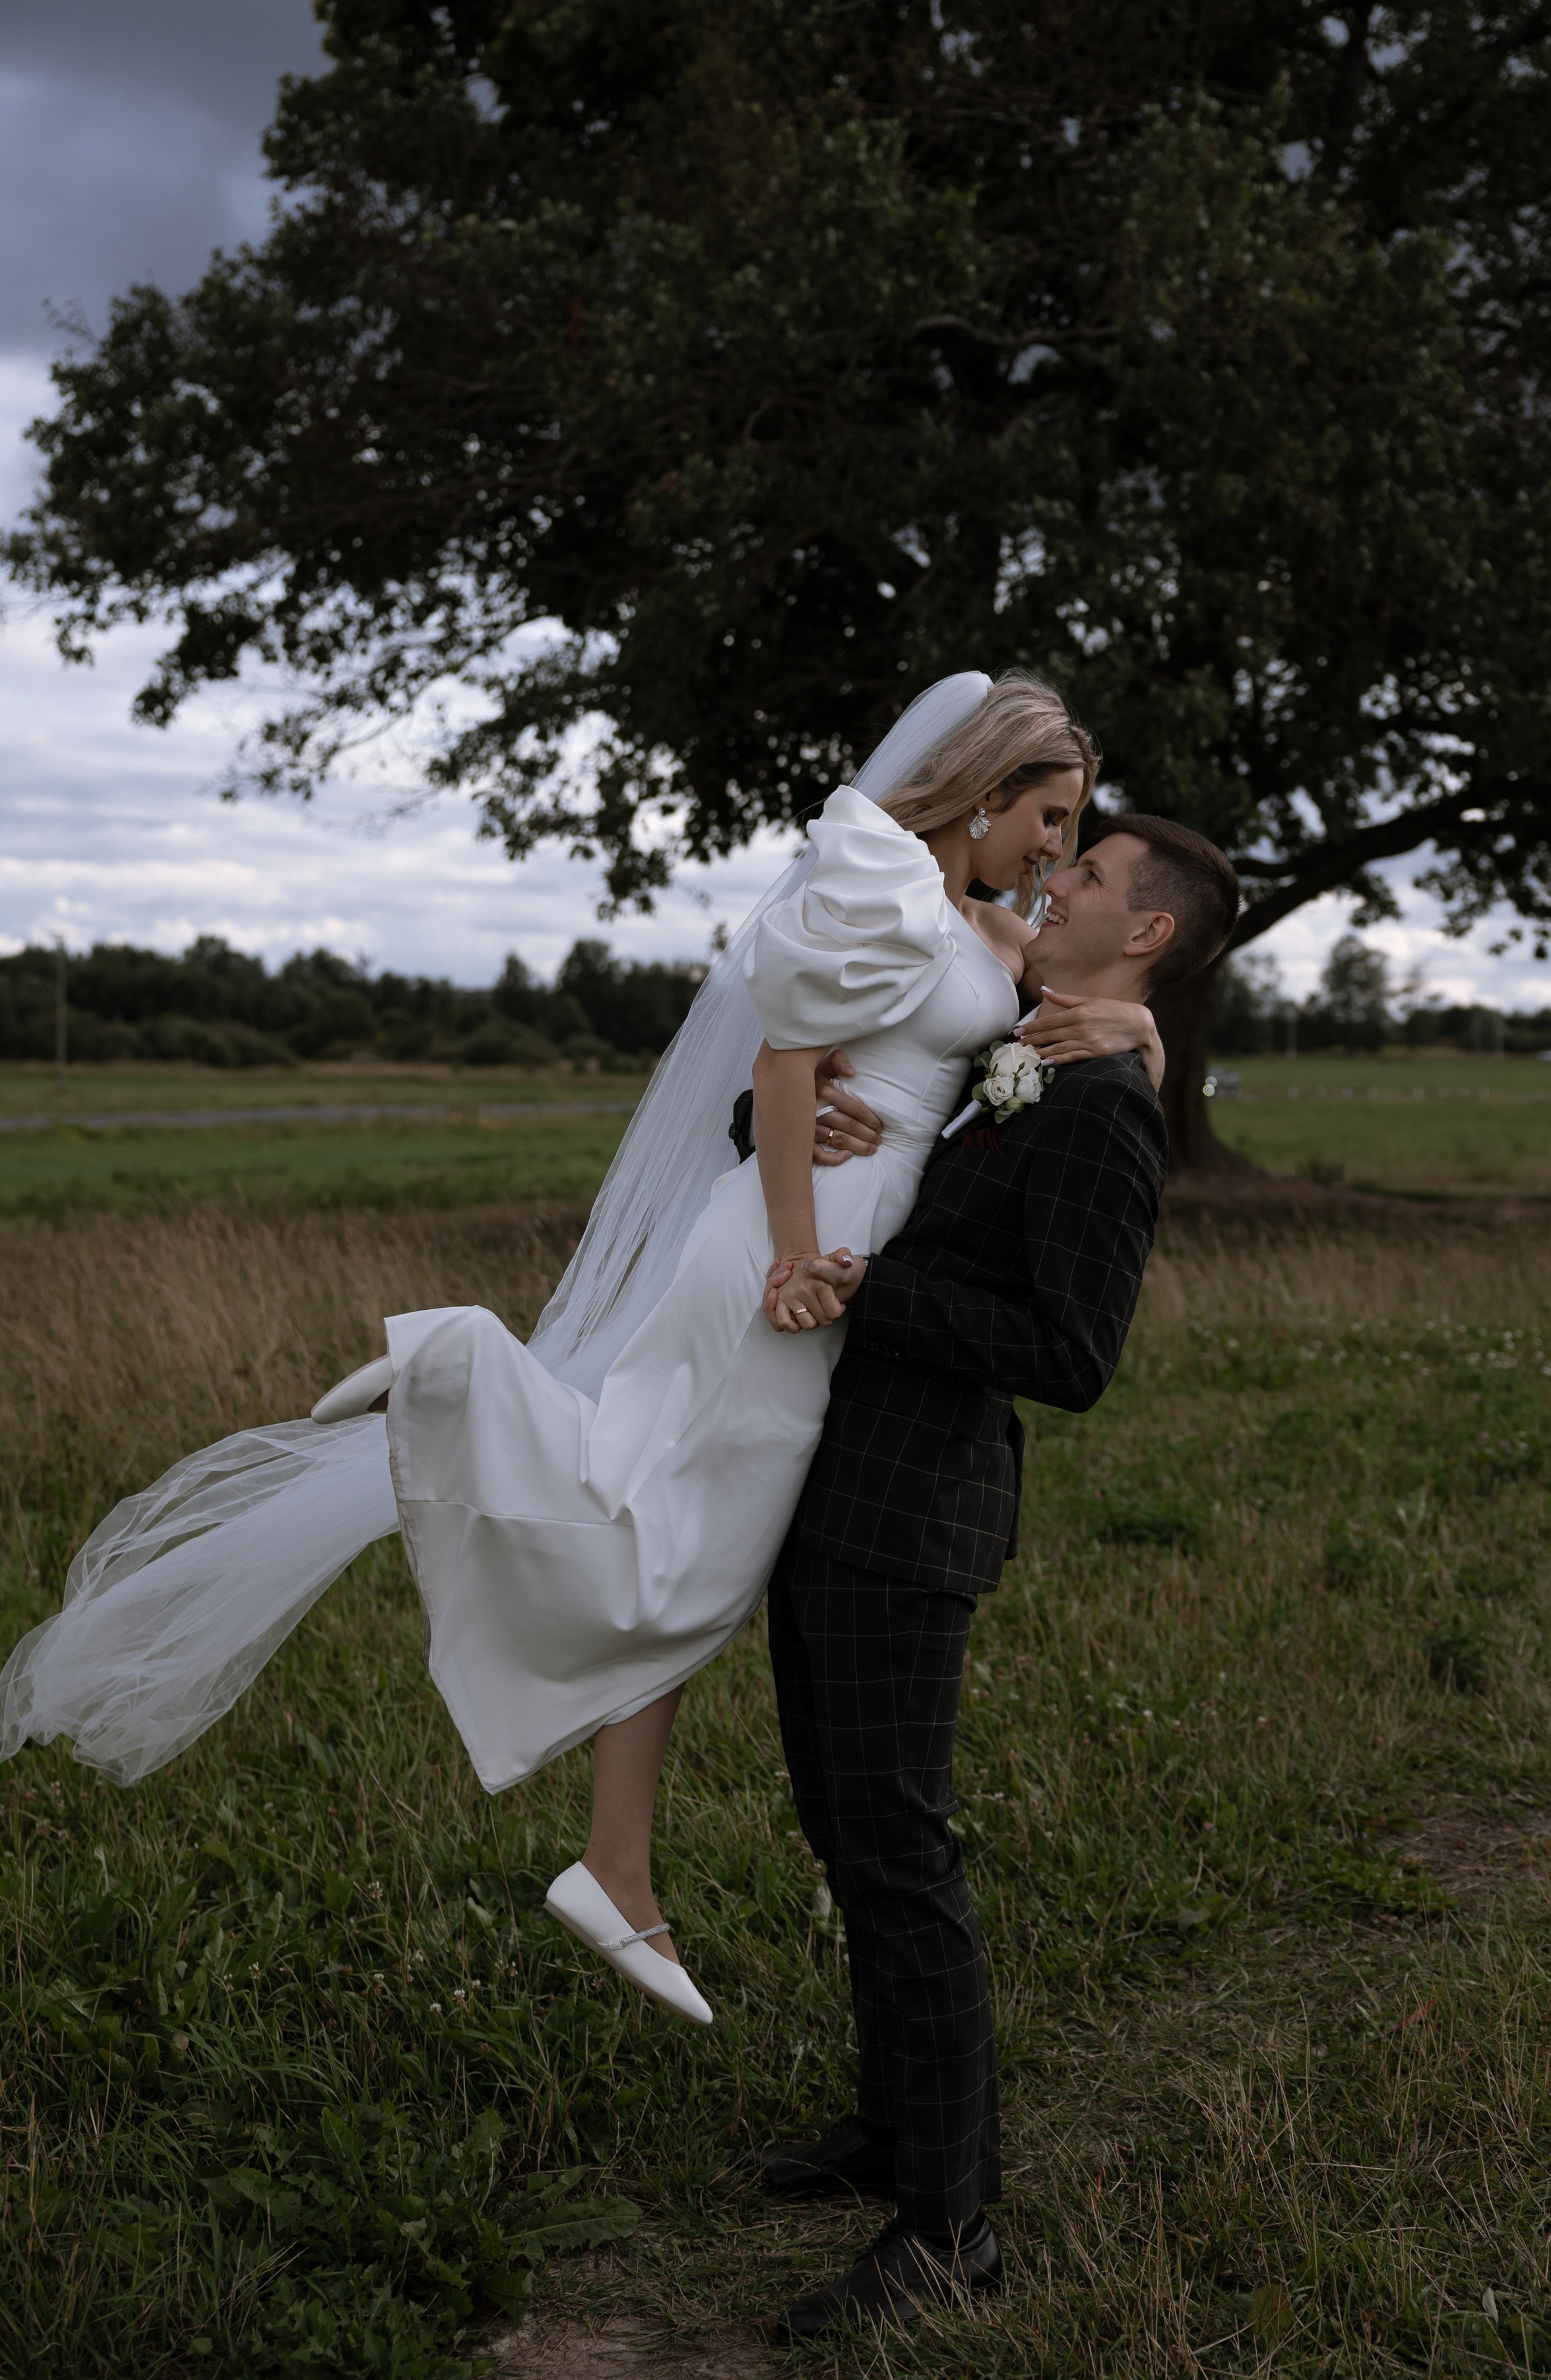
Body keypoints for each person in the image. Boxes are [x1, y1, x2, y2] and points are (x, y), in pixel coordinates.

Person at [0, 670, 1157, 2032]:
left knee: (676, 1523)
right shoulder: (887, 887)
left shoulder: (995, 933)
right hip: (799, 1245)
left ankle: (615, 1858)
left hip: (852, 1237)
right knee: (689, 1534)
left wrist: (1142, 1030)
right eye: (1049, 815)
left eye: (1072, 830)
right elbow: (782, 1067)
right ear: (985, 789)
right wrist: (793, 1256)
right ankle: (463, 1383)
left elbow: (1061, 1042)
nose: (1056, 850)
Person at [752, 811, 1241, 2342]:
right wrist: (794, 1117)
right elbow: (853, 1128)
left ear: (1143, 932)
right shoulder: (1011, 1054)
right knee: (845, 1832)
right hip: (830, 1488)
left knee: (901, 1856)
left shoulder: (1098, 1112)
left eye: (1085, 874)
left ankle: (948, 2228)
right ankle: (892, 2128)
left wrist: (872, 1294)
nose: (1054, 879)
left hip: (913, 1515)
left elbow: (1070, 1354)